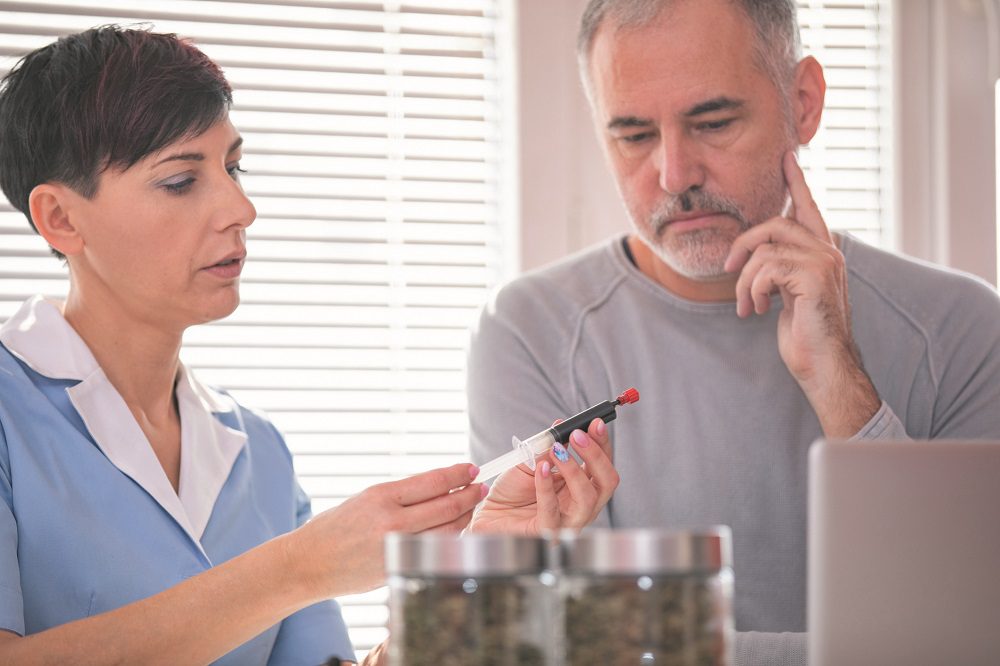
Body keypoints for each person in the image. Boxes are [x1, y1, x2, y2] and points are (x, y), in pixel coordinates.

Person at [0, 26, 619, 665]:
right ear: (61, 219)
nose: (241, 207)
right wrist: (300, 567)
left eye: (233, 167)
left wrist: (476, 579)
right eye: (182, 180)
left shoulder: (258, 451)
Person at [467, 1, 1000, 664]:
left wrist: (840, 381)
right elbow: (558, 646)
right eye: (633, 135)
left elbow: (967, 636)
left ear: (802, 103)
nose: (673, 175)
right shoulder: (528, 332)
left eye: (713, 122)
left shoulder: (965, 330)